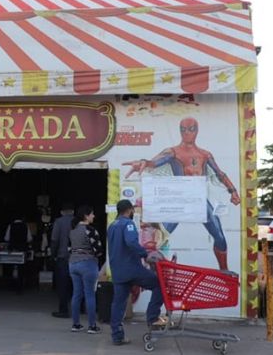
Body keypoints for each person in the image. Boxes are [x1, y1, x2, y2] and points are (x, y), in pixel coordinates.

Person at [123, 117, 240, 270]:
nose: (187, 133)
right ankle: (142, 272)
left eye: (191, 129)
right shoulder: (173, 152)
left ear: (196, 130)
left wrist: (233, 192)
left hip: (198, 200)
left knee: (219, 237)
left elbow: (219, 173)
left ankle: (224, 271)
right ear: (179, 131)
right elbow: (155, 162)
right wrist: (144, 163)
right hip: (180, 200)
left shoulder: (205, 154)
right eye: (183, 129)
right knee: (159, 237)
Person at [107, 199, 164, 346]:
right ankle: (152, 318)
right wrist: (146, 255)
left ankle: (117, 337)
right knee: (159, 285)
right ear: (129, 210)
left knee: (118, 304)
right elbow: (131, 243)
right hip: (132, 269)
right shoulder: (128, 224)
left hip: (118, 271)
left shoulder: (112, 226)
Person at [68, 205, 104, 334]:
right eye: (92, 214)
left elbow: (69, 247)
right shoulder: (90, 230)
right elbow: (98, 250)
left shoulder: (72, 229)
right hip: (88, 264)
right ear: (86, 216)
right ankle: (92, 326)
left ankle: (76, 324)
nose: (93, 216)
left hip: (73, 263)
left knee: (77, 294)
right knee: (89, 294)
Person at [49, 202, 74, 318]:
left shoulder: (59, 222)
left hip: (63, 257)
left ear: (61, 212)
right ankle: (81, 308)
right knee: (77, 284)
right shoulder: (78, 221)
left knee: (63, 285)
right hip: (78, 257)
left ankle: (63, 310)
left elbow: (54, 239)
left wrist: (52, 254)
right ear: (73, 212)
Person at [4, 215, 32, 292]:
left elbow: (6, 238)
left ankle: (12, 284)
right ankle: (20, 287)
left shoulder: (11, 226)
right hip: (22, 250)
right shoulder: (25, 226)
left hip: (13, 250)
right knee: (21, 269)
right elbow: (29, 239)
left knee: (12, 266)